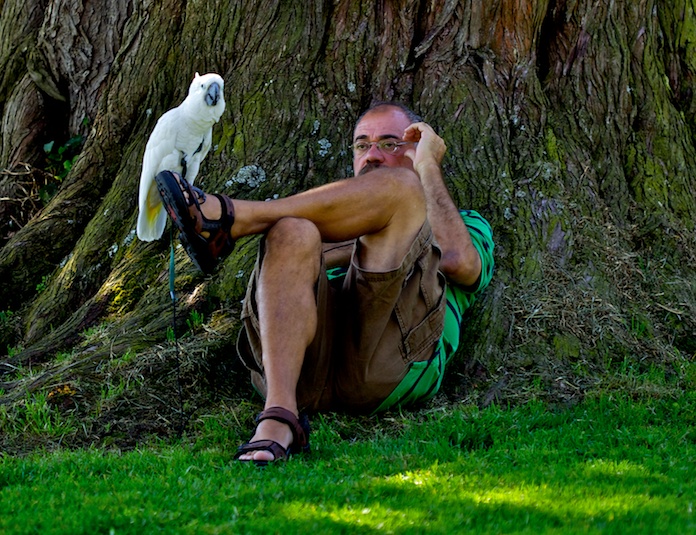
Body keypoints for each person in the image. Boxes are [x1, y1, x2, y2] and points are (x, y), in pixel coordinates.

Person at [154, 101, 494, 465]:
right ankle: (279, 416)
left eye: (390, 144)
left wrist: (426, 167)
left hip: (389, 361)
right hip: (299, 367)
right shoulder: (317, 216)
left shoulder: (459, 222)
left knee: (402, 189)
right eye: (362, 145)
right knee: (292, 228)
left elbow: (461, 263)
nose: (373, 156)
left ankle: (232, 218)